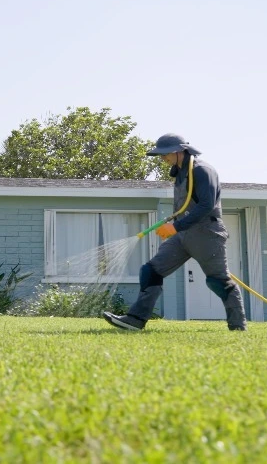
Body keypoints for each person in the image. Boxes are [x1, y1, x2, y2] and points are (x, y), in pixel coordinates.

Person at [103, 133, 247, 331]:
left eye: (165, 154)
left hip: (206, 234)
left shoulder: (202, 170)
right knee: (151, 271)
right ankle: (135, 319)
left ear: (180, 151)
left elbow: (206, 205)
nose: (162, 158)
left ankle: (238, 326)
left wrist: (175, 227)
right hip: (183, 235)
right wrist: (176, 225)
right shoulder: (180, 172)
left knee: (218, 281)